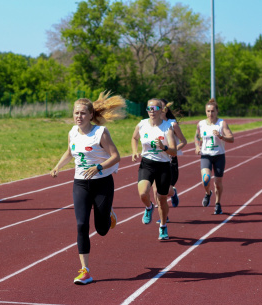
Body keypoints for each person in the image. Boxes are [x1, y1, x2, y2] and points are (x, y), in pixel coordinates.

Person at [50, 91, 125, 285]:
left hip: (102, 183)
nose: (78, 116)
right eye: (76, 113)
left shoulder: (100, 132)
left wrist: (99, 166)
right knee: (81, 225)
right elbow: (69, 152)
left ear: (91, 115)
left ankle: (108, 213)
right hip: (80, 183)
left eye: (83, 113)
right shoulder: (72, 132)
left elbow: (116, 156)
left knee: (101, 230)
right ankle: (85, 270)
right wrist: (58, 166)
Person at [131, 98, 177, 240]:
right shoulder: (142, 124)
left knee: (162, 199)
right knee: (143, 193)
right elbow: (134, 138)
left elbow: (174, 151)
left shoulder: (167, 128)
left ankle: (163, 226)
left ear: (160, 110)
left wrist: (164, 147)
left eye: (154, 108)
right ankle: (149, 207)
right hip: (147, 164)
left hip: (163, 166)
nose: (151, 111)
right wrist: (134, 151)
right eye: (149, 109)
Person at [194, 98, 234, 215]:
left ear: (217, 111)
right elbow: (197, 137)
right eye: (208, 111)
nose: (210, 113)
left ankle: (217, 203)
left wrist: (221, 136)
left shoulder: (222, 123)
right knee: (205, 179)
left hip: (219, 156)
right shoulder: (201, 124)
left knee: (217, 183)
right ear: (205, 112)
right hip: (206, 155)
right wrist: (197, 146)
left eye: (212, 111)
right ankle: (207, 193)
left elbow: (231, 138)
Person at [153, 99, 187, 224]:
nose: (157, 110)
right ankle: (164, 217)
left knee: (166, 190)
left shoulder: (172, 124)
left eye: (160, 107)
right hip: (155, 159)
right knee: (156, 189)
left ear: (165, 109)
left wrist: (172, 150)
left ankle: (173, 193)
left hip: (170, 160)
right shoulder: (151, 124)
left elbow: (184, 141)